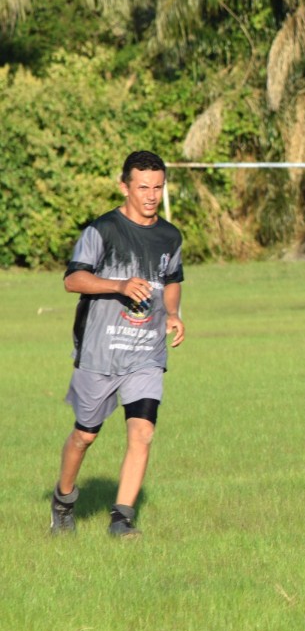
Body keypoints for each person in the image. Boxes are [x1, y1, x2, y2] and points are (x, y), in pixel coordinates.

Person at [50, 151, 185, 538]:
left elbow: (172, 278)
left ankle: (121, 519)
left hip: (146, 349)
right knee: (85, 435)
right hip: (100, 350)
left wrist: (173, 314)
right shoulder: (103, 230)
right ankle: (63, 499)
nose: (151, 195)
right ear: (124, 186)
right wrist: (119, 285)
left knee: (142, 431)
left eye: (157, 187)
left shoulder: (170, 235)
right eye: (143, 187)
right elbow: (73, 280)